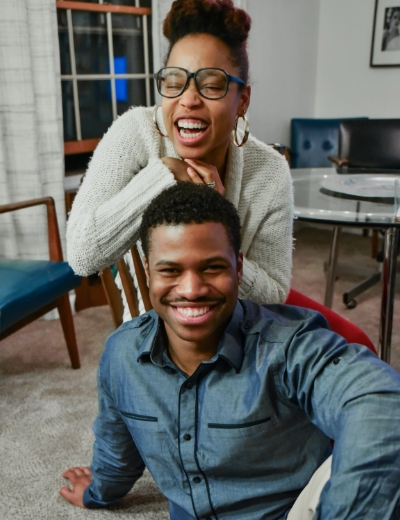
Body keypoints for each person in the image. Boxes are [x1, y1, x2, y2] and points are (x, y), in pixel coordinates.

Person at [60, 183, 400, 519]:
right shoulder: (121, 354)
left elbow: (380, 403)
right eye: (170, 270)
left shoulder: (289, 345)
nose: (191, 290)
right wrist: (98, 491)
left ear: (238, 267)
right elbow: (117, 439)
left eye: (212, 267)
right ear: (148, 271)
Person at [66, 0, 293, 321]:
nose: (187, 99)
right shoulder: (135, 133)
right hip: (152, 336)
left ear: (242, 100)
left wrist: (220, 237)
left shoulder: (269, 171)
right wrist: (162, 177)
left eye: (211, 85)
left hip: (241, 329)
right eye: (173, 82)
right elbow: (81, 256)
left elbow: (274, 292)